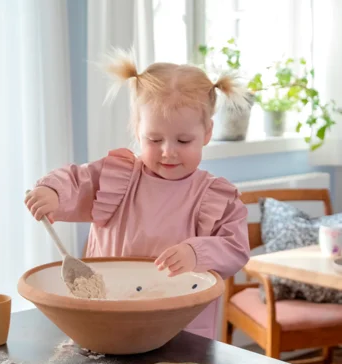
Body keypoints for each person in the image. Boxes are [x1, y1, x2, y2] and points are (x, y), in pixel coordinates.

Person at [25, 50, 250, 339]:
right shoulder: (116, 176)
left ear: (207, 132)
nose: (168, 151)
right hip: (107, 314)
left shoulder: (215, 197)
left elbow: (235, 247)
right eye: (154, 139)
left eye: (183, 140)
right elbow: (75, 181)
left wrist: (197, 252)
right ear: (137, 129)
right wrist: (53, 191)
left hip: (178, 330)